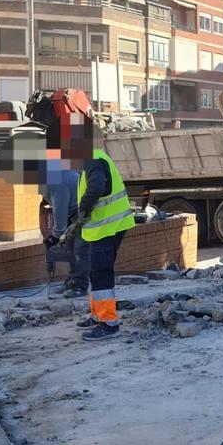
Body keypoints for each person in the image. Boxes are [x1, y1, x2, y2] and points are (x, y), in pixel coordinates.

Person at [71, 121, 135, 341]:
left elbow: (97, 187)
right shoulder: (95, 157)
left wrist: (83, 209)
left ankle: (108, 323)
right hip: (106, 227)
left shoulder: (93, 159)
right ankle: (98, 314)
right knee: (94, 271)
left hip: (108, 227)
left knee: (101, 273)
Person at [41, 153, 87, 297]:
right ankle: (71, 281)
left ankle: (79, 286)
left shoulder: (55, 181)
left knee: (79, 250)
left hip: (82, 215)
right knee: (71, 247)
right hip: (75, 213)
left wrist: (53, 238)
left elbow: (60, 211)